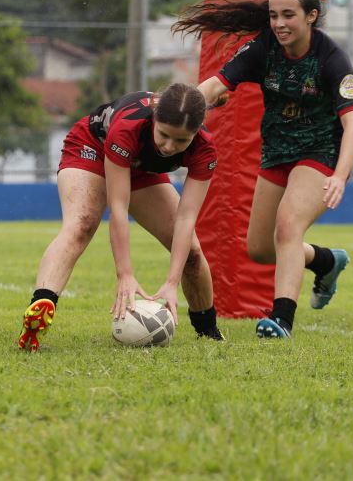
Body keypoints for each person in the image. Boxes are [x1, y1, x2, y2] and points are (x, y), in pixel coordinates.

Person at [173, 0, 353, 339]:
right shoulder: (264, 48)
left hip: (322, 153)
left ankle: (281, 321)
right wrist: (176, 108)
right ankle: (325, 261)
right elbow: (215, 85)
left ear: (311, 16)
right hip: (277, 152)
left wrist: (340, 175)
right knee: (260, 249)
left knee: (288, 226)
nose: (278, 23)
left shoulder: (331, 58)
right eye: (274, 15)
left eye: (288, 15)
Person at [18, 83, 224, 351]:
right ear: (154, 119)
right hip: (94, 147)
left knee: (192, 253)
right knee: (82, 223)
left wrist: (172, 283)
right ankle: (42, 305)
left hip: (142, 168)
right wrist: (124, 274)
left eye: (181, 141)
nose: (169, 146)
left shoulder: (205, 150)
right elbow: (118, 207)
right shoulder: (128, 126)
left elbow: (186, 218)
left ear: (196, 133)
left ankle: (208, 331)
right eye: (163, 134)